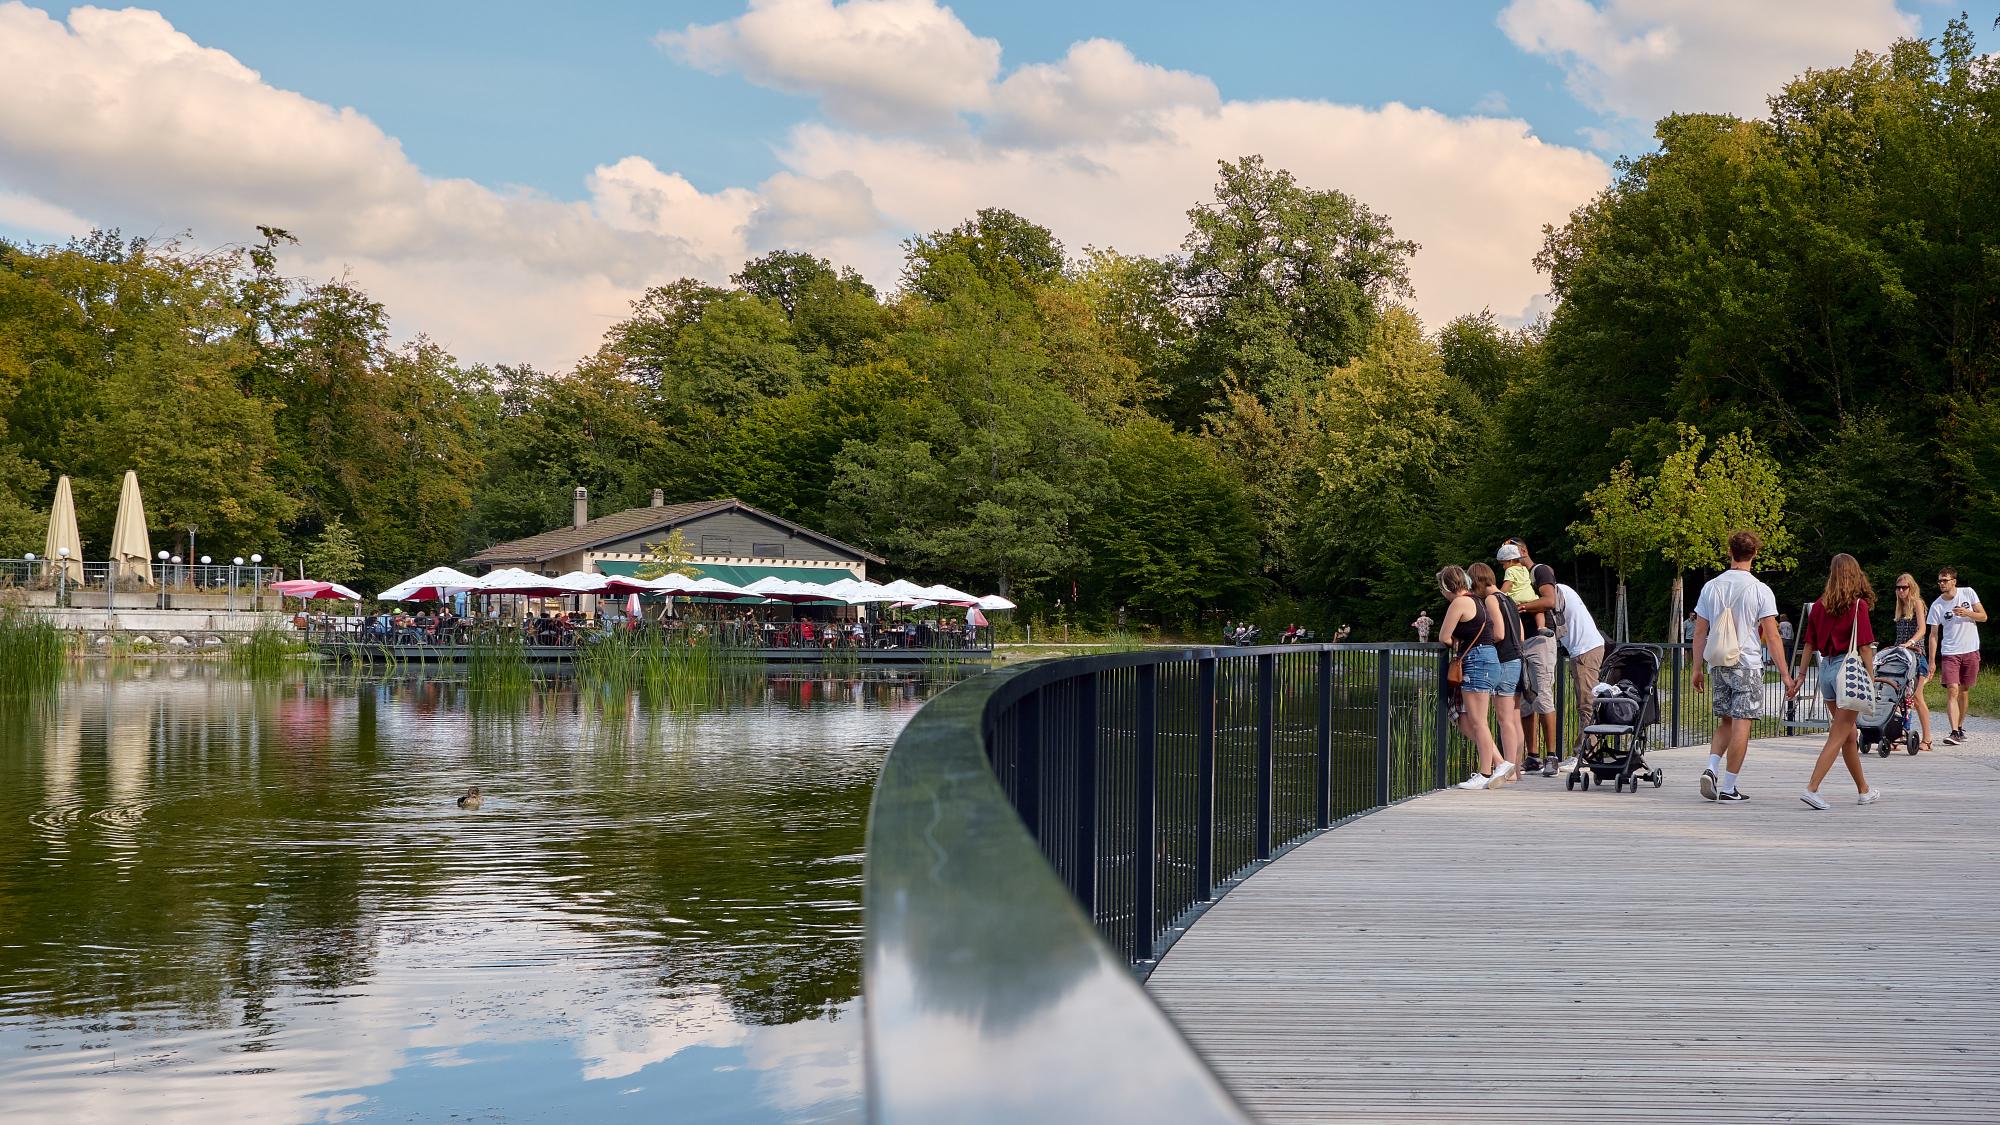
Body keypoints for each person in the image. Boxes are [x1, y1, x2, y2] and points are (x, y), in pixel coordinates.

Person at [1689, 531, 1790, 802]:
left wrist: (1696, 668)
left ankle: (1711, 767)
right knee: (1742, 723)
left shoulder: (1711, 587)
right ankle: (1729, 786)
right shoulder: (1760, 590)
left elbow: (1700, 632)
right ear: (1754, 554)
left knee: (1725, 720)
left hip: (1719, 663)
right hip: (1746, 664)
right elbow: (1772, 635)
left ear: (1729, 552)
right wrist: (1785, 674)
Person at [1791, 553, 1882, 808]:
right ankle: (1812, 788)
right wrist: (1872, 679)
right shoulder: (1857, 606)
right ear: (1855, 574)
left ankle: (1864, 790)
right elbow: (1864, 646)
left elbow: (1809, 643)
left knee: (1849, 734)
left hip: (1827, 671)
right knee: (1839, 732)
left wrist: (1800, 675)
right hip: (1848, 669)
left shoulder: (1819, 605)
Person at [1439, 566, 1515, 790]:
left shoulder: (1459, 603)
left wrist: (1452, 640)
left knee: (1478, 721)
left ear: (1447, 586)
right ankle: (1500, 763)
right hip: (1488, 659)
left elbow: (1444, 636)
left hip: (1476, 662)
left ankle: (1484, 773)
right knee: (1472, 720)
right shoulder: (1477, 601)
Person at [1500, 539, 1556, 772]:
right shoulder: (1516, 573)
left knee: (1542, 693)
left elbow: (1549, 600)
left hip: (1538, 641)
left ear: (1522, 550)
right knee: (1525, 699)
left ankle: (1551, 755)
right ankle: (1532, 755)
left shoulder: (1539, 570)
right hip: (1520, 641)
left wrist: (1522, 607)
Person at [1470, 563, 1527, 779]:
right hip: (1516, 659)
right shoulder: (1508, 598)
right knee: (1513, 718)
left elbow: (1500, 633)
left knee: (1504, 720)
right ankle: (1516, 768)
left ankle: (1509, 770)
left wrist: (1484, 641)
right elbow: (1520, 634)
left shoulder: (1491, 599)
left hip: (1503, 660)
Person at [1927, 566, 1985, 746]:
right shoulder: (1937, 605)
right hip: (1950, 652)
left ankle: (1960, 727)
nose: (1942, 584)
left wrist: (1967, 613)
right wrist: (1932, 661)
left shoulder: (1968, 593)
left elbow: (1983, 616)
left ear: (1954, 581)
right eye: (1939, 581)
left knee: (1964, 691)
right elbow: (1933, 634)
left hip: (1970, 649)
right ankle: (1953, 731)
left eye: (1945, 580)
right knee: (1952, 688)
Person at [1892, 573, 1934, 752]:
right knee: (1897, 697)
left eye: (1904, 587)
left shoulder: (1917, 603)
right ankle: (1898, 734)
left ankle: (1928, 738)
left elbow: (1923, 629)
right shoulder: (1900, 607)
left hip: (1916, 656)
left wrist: (1910, 642)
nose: (1901, 591)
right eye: (1898, 587)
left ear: (1911, 587)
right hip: (1901, 656)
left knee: (1917, 697)